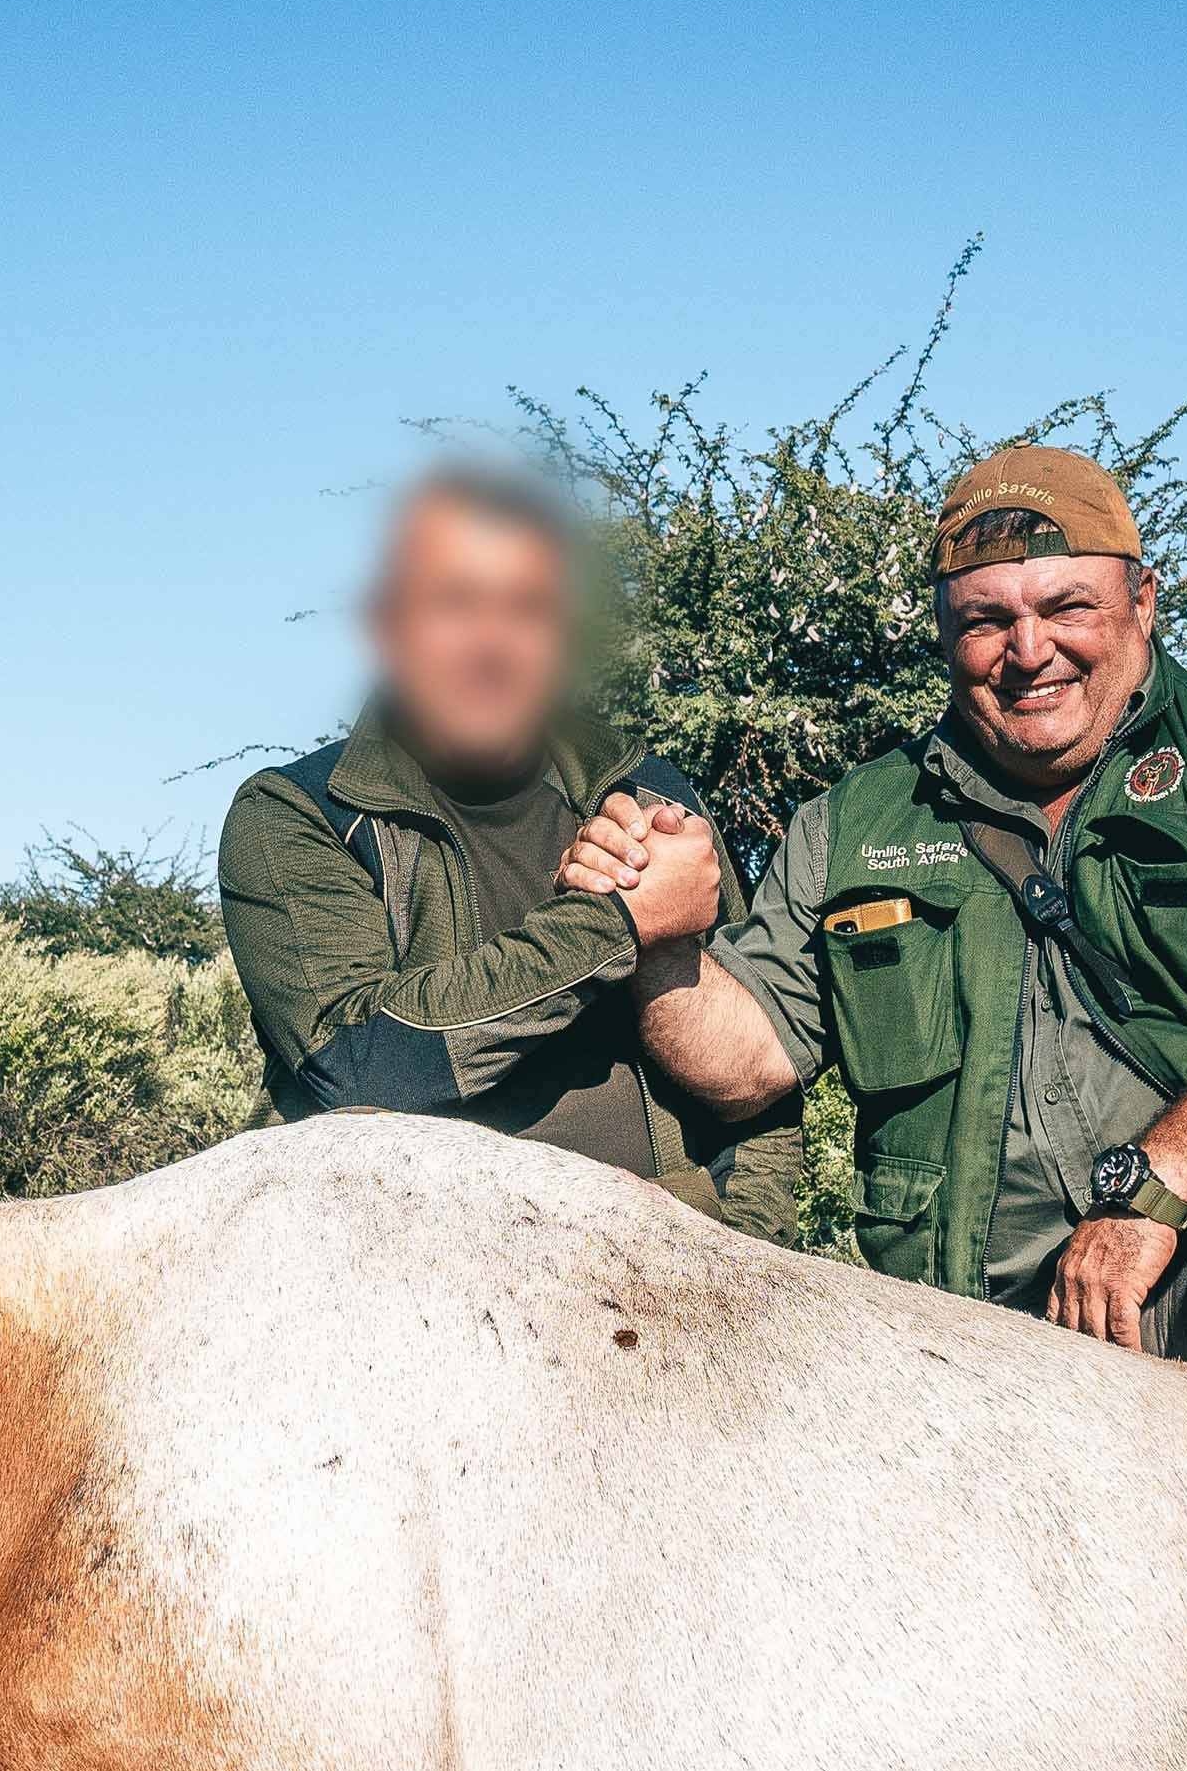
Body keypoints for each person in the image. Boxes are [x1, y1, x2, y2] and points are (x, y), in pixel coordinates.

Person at [563, 442, 1187, 1524]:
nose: (1027, 650)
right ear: (941, 630)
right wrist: (656, 938)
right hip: (965, 1355)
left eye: (1065, 605)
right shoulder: (855, 819)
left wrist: (1150, 1194)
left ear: (1141, 600)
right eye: (984, 618)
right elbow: (739, 1066)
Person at [219, 461, 803, 1237]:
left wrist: (746, 1249)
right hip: (406, 1268)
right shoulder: (297, 815)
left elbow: (757, 1078)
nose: (491, 644)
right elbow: (357, 1063)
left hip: (668, 1270)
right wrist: (615, 926)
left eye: (527, 609)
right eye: (455, 603)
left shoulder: (653, 794)